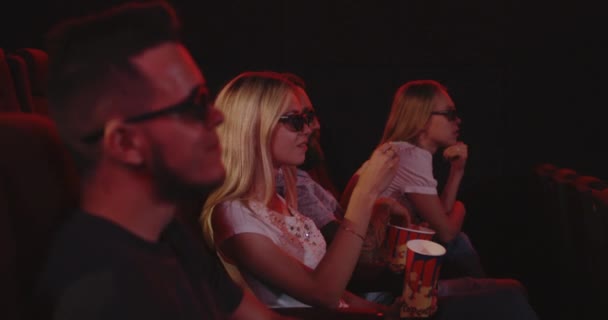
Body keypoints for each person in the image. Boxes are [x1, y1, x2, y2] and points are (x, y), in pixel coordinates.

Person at [35, 2, 286, 319]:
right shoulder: (101, 290)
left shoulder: (166, 236)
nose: (217, 117)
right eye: (194, 105)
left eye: (206, 98)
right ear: (125, 143)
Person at [201, 71, 400, 312]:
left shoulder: (278, 200)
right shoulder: (235, 215)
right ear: (254, 127)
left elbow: (337, 294)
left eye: (307, 118)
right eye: (295, 120)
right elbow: (323, 293)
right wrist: (365, 194)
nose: (308, 129)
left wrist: (384, 313)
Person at [342, 79, 485, 279]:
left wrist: (457, 171)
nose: (458, 121)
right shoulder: (410, 156)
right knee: (459, 242)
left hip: (375, 261)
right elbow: (447, 233)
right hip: (371, 270)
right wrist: (461, 207)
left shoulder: (401, 150)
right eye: (450, 114)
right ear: (422, 119)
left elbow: (439, 215)